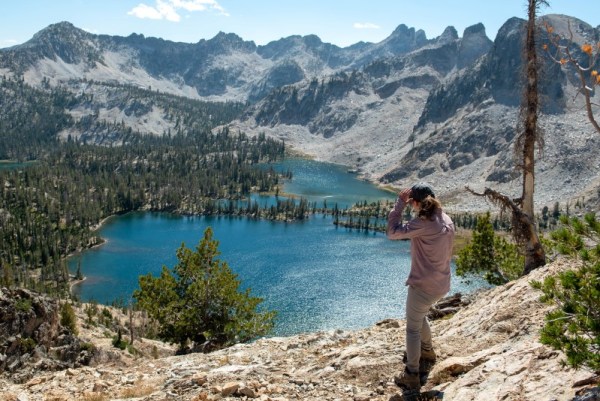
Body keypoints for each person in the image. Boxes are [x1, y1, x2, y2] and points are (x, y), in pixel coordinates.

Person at [386, 183, 455, 391]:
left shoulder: (423, 222)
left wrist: (399, 206)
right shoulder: (446, 219)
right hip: (441, 284)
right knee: (420, 315)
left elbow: (392, 232)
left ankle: (412, 374)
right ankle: (427, 352)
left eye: (411, 204)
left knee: (412, 328)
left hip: (423, 285)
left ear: (415, 203)